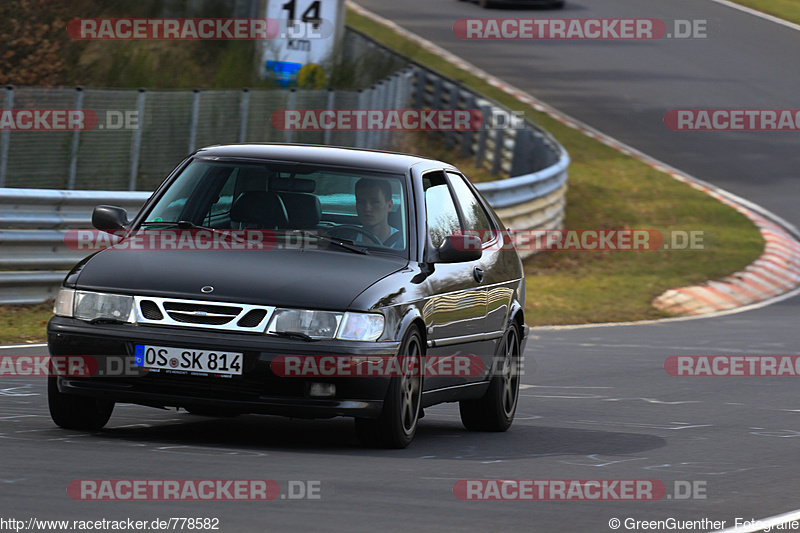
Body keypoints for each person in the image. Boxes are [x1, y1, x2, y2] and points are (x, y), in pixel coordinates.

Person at [354, 178, 401, 248]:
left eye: (375, 202)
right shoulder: (345, 240)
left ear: (389, 205)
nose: (367, 208)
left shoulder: (405, 243)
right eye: (361, 202)